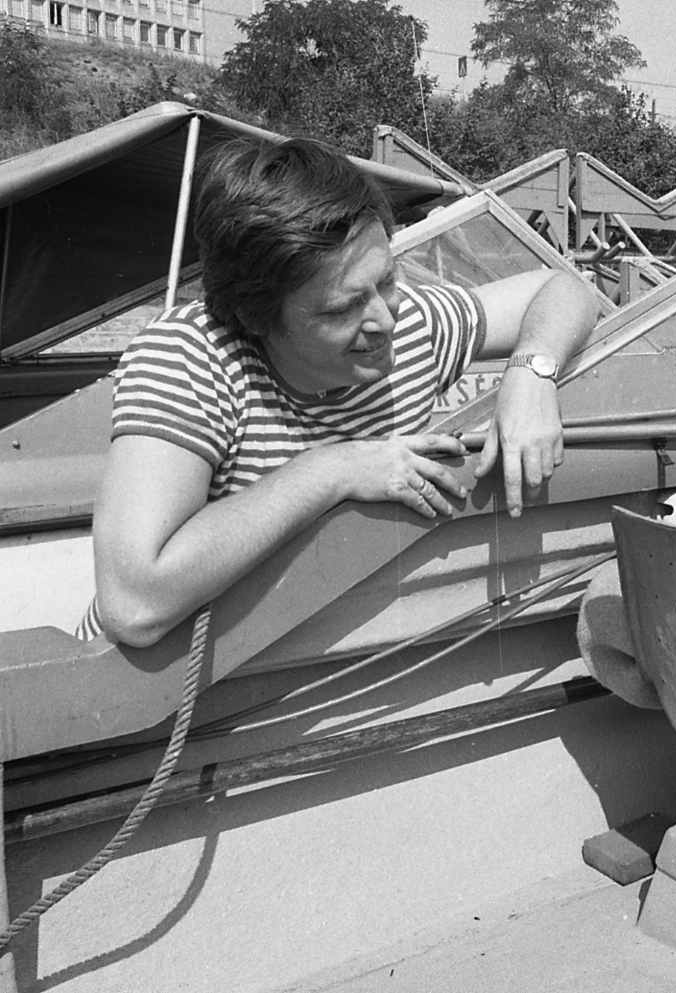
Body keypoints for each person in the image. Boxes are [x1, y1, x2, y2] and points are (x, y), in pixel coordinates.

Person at [84, 136, 600, 648]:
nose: (383, 320)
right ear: (253, 317)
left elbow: (561, 289)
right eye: (339, 311)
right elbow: (134, 604)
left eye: (388, 280)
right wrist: (335, 469)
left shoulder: (410, 321)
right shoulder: (190, 357)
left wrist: (532, 373)